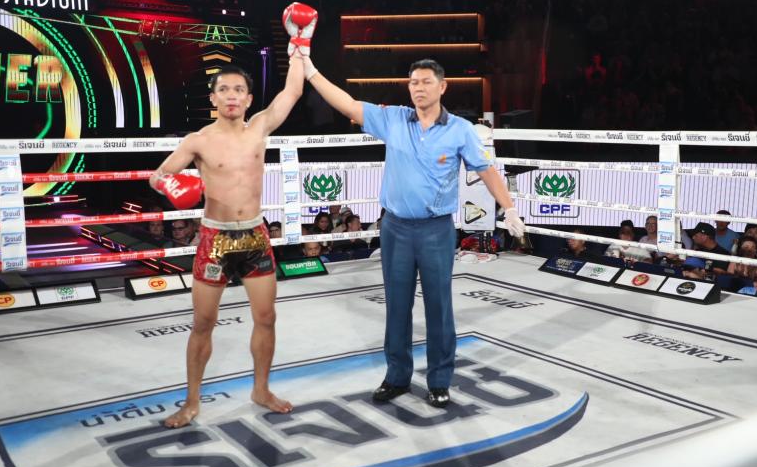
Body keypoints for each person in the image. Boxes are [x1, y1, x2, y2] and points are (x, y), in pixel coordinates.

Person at [300, 55, 525, 408]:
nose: (418, 88)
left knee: (439, 307)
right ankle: (397, 376)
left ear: (442, 86)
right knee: (397, 305)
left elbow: (486, 170)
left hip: (436, 229)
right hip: (395, 229)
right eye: (413, 82)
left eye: (425, 82)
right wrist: (312, 72)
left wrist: (508, 208)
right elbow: (348, 104)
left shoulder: (460, 130)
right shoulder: (393, 119)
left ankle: (439, 380)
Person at [148, 24, 305, 427]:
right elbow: (158, 175)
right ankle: (192, 401)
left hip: (255, 234)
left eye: (238, 89)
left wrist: (299, 44)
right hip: (215, 238)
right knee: (203, 323)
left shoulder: (260, 128)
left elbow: (292, 92)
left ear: (249, 98)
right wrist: (171, 185)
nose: (231, 95)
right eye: (224, 89)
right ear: (213, 97)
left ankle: (261, 389)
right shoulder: (197, 140)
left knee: (266, 318)